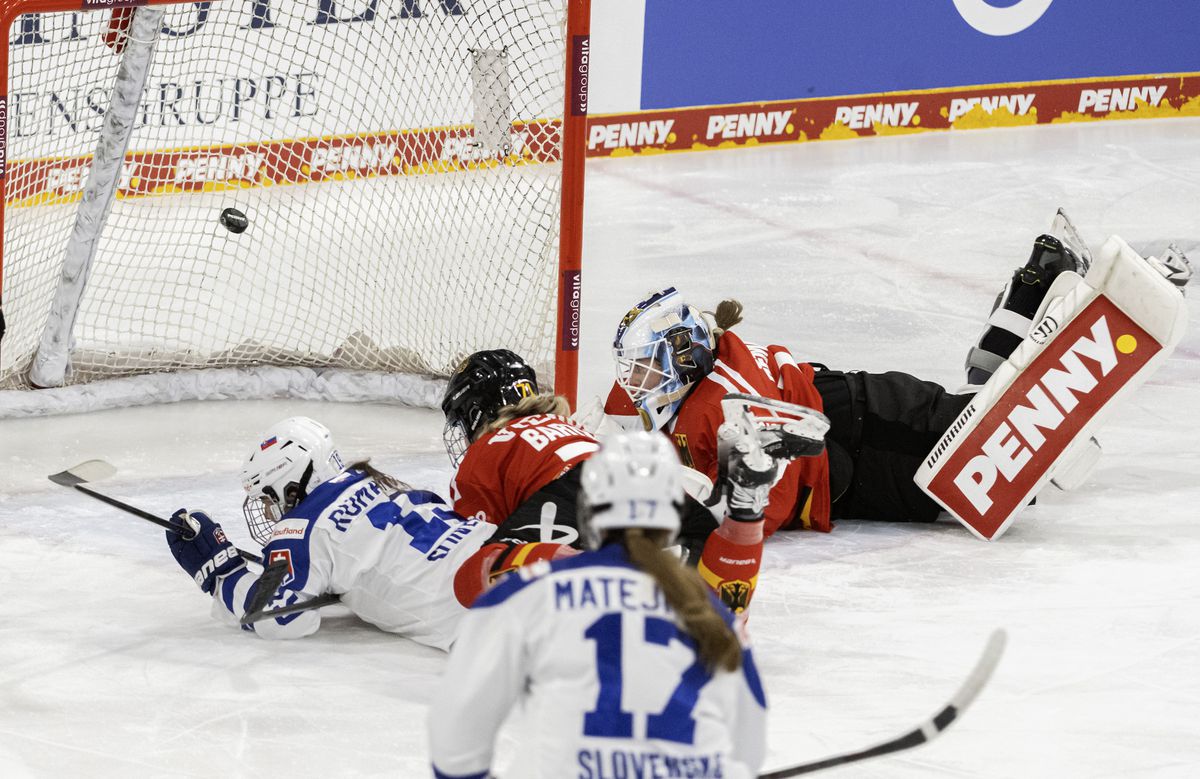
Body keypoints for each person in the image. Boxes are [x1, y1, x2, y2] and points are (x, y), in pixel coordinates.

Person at [604, 232, 1089, 538]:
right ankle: (1034, 287)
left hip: (873, 440)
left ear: (682, 358)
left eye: (646, 367)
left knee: (1014, 462)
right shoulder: (701, 375)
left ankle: (1054, 304)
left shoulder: (729, 405)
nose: (636, 381)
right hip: (859, 417)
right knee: (984, 414)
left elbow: (766, 508)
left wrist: (697, 507)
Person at [428, 432, 767, 779]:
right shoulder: (713, 615)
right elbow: (749, 745)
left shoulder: (532, 592)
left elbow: (455, 739)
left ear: (590, 507)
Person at [441, 348, 803, 610]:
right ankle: (739, 515)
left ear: (475, 412)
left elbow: (466, 540)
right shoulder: (569, 424)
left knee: (474, 577)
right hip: (656, 484)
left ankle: (608, 571)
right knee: (710, 606)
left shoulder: (486, 448)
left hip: (574, 501)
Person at [164, 416, 549, 645]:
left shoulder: (300, 527)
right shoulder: (377, 480)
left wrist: (223, 574)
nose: (270, 510)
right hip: (506, 552)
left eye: (269, 497)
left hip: (478, 612)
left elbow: (278, 617)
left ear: (291, 484)